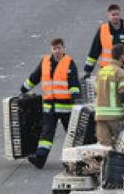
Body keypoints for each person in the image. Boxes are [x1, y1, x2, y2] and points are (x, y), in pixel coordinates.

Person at [20, 37, 81, 169]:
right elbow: (35, 77)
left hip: (66, 107)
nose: (57, 51)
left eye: (59, 48)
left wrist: (76, 99)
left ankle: (77, 160)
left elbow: (74, 84)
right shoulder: (45, 61)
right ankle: (40, 159)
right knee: (46, 133)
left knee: (71, 134)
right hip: (50, 106)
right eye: (54, 48)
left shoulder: (69, 63)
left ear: (63, 48)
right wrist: (24, 88)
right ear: (51, 49)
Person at [84, 4, 124, 80]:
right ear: (109, 16)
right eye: (113, 15)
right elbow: (94, 51)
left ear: (120, 15)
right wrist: (88, 71)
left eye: (117, 14)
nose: (115, 17)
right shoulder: (103, 30)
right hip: (108, 72)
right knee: (110, 91)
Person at [94, 44, 124, 149]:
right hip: (115, 117)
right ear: (121, 56)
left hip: (100, 116)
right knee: (119, 147)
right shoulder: (120, 73)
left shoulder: (101, 72)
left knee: (104, 148)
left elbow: (96, 92)